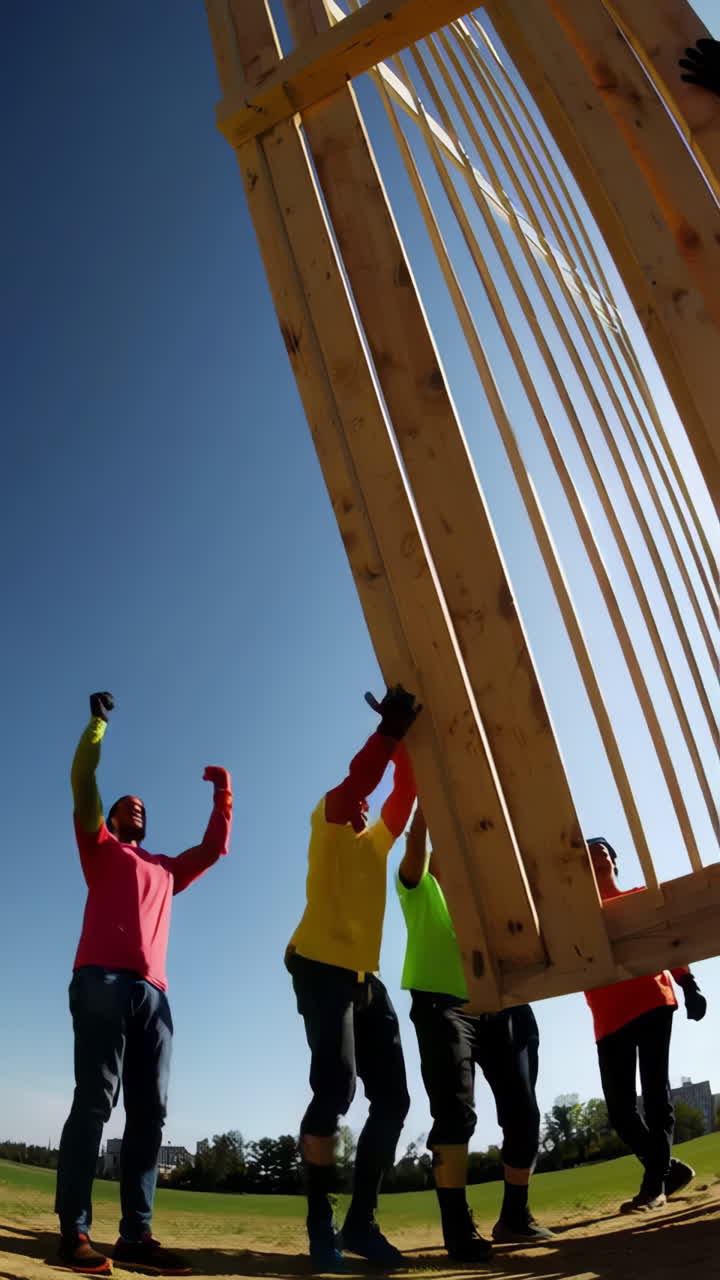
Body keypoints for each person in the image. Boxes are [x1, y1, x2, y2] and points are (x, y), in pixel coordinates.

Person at [56, 692, 233, 1275]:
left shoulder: (164, 868)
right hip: (100, 979)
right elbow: (83, 780)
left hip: (154, 993)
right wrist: (97, 726)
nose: (134, 805)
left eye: (140, 805)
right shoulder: (99, 847)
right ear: (109, 820)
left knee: (150, 1113)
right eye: (124, 804)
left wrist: (222, 794)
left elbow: (212, 849)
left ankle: (136, 1235)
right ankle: (74, 1232)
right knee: (95, 1100)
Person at [285, 685, 420, 1272]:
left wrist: (408, 744)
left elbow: (404, 794)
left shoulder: (377, 845)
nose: (364, 805)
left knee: (393, 1099)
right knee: (336, 1090)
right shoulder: (327, 816)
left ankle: (360, 1223)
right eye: (359, 799)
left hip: (366, 979)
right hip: (319, 964)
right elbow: (359, 783)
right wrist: (388, 734)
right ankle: (321, 1224)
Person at [396, 806, 553, 1261]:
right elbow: (414, 848)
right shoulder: (419, 889)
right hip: (443, 1006)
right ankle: (457, 1228)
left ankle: (515, 1217)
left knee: (524, 1113)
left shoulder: (488, 902)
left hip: (503, 1005)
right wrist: (426, 811)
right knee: (455, 1114)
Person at [585, 837, 707, 1214]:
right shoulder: (577, 918)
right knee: (620, 1112)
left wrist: (688, 983)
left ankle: (654, 1187)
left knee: (656, 1096)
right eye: (589, 853)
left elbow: (667, 941)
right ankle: (669, 1170)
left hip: (652, 1000)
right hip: (608, 1016)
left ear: (615, 860)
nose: (598, 854)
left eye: (604, 850)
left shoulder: (638, 897)